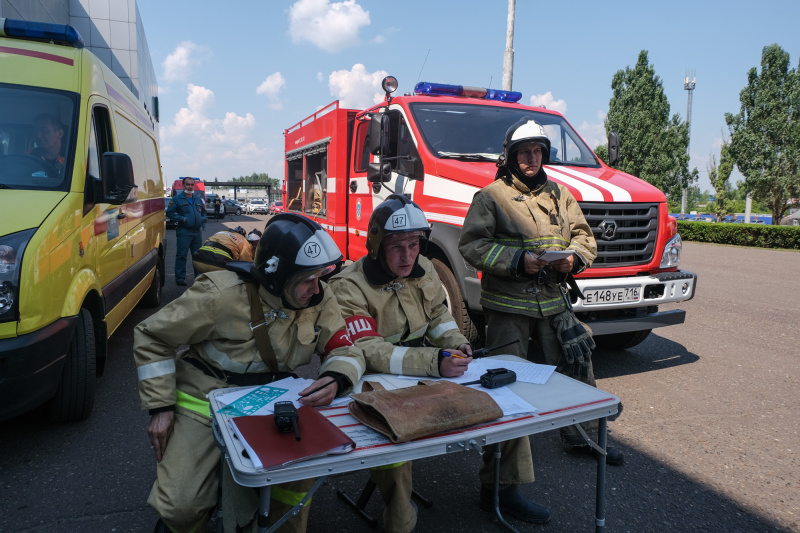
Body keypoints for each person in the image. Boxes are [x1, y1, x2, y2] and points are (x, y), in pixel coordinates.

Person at [329, 194, 550, 531]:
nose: (408, 256)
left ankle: (502, 490)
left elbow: (438, 316)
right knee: (394, 440)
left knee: (507, 408)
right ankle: (400, 520)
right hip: (378, 380)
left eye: (414, 244)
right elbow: (370, 350)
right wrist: (435, 361)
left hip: (429, 367)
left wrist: (457, 342)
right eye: (397, 247)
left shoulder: (425, 269)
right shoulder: (349, 287)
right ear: (377, 244)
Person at [134, 213, 366, 533]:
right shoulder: (219, 294)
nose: (317, 289)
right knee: (180, 507)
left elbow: (344, 349)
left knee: (292, 489)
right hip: (203, 400)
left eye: (320, 276)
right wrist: (160, 407)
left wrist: (337, 377)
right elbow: (152, 337)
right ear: (277, 276)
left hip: (273, 401)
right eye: (307, 279)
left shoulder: (319, 297)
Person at [458, 118, 624, 467]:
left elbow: (584, 236)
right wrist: (518, 261)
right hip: (508, 306)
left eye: (537, 151)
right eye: (524, 153)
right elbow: (472, 244)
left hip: (552, 300)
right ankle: (502, 464)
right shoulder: (491, 197)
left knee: (576, 365)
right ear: (510, 157)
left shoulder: (560, 194)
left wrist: (573, 259)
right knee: (505, 380)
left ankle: (586, 439)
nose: (532, 158)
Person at [166, 177, 207, 286]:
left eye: (192, 184)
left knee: (198, 256)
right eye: (187, 184)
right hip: (184, 232)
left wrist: (202, 219)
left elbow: (204, 213)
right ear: (183, 186)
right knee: (182, 255)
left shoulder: (198, 199)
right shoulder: (177, 199)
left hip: (197, 233)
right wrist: (182, 219)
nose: (190, 186)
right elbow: (170, 213)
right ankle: (180, 278)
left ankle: (198, 278)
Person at [191, 226, 255, 274]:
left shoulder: (221, 233)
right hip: (218, 264)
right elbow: (246, 264)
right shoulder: (243, 240)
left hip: (198, 260)